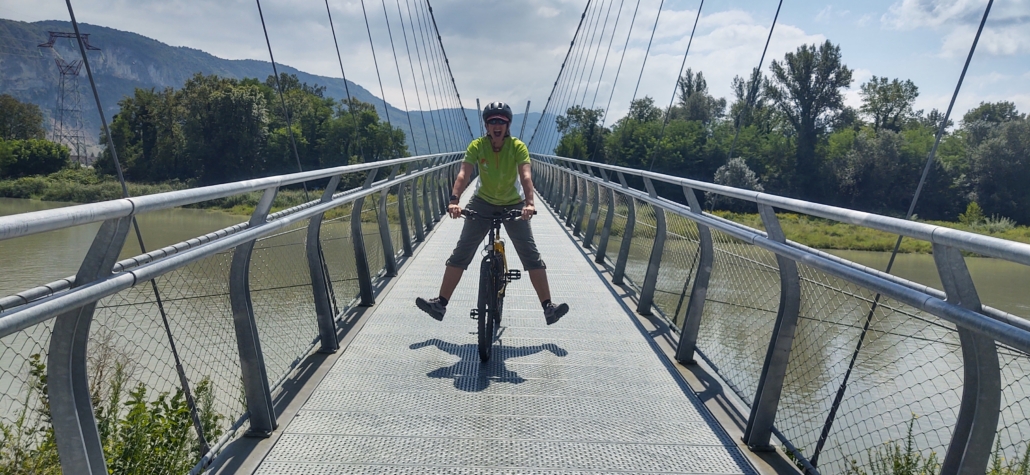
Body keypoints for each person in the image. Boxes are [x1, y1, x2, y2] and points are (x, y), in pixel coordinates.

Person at [415, 102, 569, 325]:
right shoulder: (477, 146)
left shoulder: (518, 147)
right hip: (482, 202)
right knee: (461, 253)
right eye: (492, 122)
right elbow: (463, 175)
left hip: (513, 203)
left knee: (531, 255)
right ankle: (440, 304)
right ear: (486, 126)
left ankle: (548, 308)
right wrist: (454, 200)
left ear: (507, 126)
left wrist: (529, 204)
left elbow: (526, 177)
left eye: (502, 122)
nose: (497, 125)